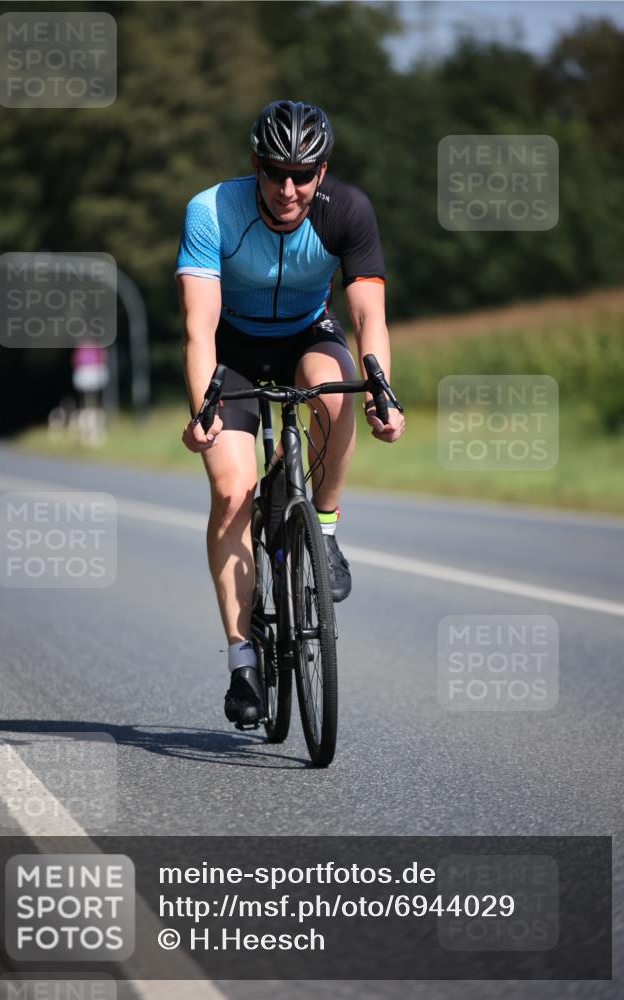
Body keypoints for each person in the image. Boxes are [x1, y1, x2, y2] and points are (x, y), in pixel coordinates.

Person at [176, 100, 405, 727]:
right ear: (255, 164)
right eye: (275, 171)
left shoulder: (349, 211)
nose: (287, 189)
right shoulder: (211, 210)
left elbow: (368, 318)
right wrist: (203, 409)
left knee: (335, 391)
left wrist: (382, 388)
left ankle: (324, 530)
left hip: (309, 333)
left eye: (303, 174)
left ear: (322, 172)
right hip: (235, 350)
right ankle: (242, 659)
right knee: (231, 491)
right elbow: (198, 328)